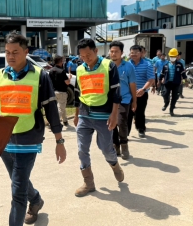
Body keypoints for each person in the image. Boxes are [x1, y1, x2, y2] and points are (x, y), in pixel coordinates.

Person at [0, 32, 67, 226]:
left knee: (17, 189)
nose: (10, 56)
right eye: (7, 52)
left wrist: (60, 142)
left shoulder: (40, 76)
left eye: (15, 52)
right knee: (17, 180)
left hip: (28, 140)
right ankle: (37, 200)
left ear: (25, 52)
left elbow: (51, 110)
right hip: (4, 141)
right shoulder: (0, 74)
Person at [73, 38, 123, 197]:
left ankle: (114, 165)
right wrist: (76, 114)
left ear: (96, 51)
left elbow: (116, 92)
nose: (85, 58)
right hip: (84, 115)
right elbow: (77, 93)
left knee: (106, 149)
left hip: (104, 116)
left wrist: (114, 114)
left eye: (88, 54)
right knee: (82, 150)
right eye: (82, 56)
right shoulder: (80, 69)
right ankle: (89, 183)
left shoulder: (109, 66)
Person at [109, 41, 137, 160]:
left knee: (121, 122)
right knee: (112, 124)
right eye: (112, 51)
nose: (113, 54)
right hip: (109, 100)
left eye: (116, 51)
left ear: (121, 53)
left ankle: (124, 145)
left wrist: (134, 101)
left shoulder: (128, 66)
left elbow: (132, 84)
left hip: (124, 99)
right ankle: (116, 146)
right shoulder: (106, 65)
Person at [127, 45, 155, 138]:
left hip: (141, 93)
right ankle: (125, 133)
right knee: (128, 114)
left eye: (136, 53)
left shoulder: (147, 64)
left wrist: (143, 89)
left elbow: (151, 79)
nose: (133, 54)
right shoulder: (126, 64)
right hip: (128, 94)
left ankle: (141, 129)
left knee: (140, 112)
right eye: (132, 53)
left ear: (141, 53)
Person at [160, 48, 188, 116]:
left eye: (174, 56)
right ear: (169, 56)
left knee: (175, 97)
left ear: (176, 56)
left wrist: (186, 81)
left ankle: (171, 109)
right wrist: (159, 81)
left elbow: (183, 74)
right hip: (167, 83)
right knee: (165, 94)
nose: (172, 58)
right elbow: (162, 74)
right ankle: (166, 103)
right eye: (171, 56)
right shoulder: (166, 65)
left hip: (176, 83)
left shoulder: (179, 65)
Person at [49, 55, 71, 126]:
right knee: (61, 108)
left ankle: (65, 121)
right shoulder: (62, 71)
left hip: (53, 91)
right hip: (62, 92)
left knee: (61, 107)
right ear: (61, 62)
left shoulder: (51, 70)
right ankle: (54, 123)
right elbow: (67, 82)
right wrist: (69, 78)